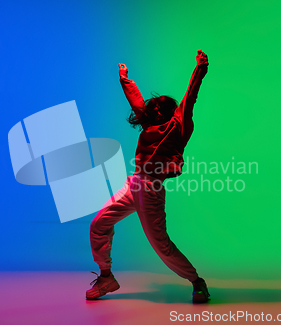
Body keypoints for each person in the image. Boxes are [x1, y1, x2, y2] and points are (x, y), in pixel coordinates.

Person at [86, 50, 210, 303]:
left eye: (156, 109)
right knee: (99, 224)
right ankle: (106, 277)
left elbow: (191, 97)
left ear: (167, 111)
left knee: (161, 246)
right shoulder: (149, 126)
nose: (150, 112)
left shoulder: (178, 126)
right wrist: (125, 79)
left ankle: (197, 282)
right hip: (133, 185)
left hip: (151, 190)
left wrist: (200, 69)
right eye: (150, 110)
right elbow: (136, 102)